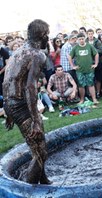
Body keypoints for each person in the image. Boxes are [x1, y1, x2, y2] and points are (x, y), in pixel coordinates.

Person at [3, 19, 51, 184]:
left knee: (37, 147)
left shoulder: (19, 51)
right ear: (43, 35)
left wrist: (8, 111)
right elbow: (30, 88)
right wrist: (36, 121)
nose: (48, 38)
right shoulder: (37, 55)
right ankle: (26, 190)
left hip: (11, 104)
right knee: (41, 153)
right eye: (48, 34)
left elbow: (7, 81)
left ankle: (44, 181)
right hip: (20, 105)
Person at [69, 33, 99, 104]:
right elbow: (70, 56)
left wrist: (96, 64)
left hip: (89, 69)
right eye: (80, 39)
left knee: (91, 84)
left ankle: (94, 99)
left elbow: (96, 54)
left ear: (84, 39)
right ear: (77, 40)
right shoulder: (75, 48)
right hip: (80, 70)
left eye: (82, 39)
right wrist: (73, 66)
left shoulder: (89, 46)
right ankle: (82, 99)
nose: (81, 40)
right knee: (81, 85)